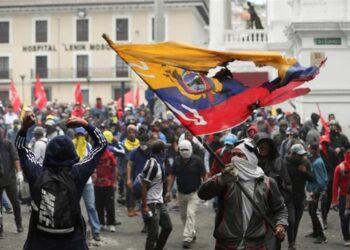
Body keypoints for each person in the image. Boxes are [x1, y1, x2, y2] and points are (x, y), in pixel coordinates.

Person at [15, 113, 107, 250]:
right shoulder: (77, 173)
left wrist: (24, 128)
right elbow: (101, 144)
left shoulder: (36, 172)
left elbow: (21, 147)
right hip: (72, 242)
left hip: (39, 242)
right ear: (72, 153)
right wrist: (85, 124)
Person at [198, 138, 288, 250]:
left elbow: (280, 209)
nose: (235, 158)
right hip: (227, 244)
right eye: (233, 154)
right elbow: (202, 194)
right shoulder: (226, 178)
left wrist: (281, 225)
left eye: (240, 155)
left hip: (255, 244)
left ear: (251, 158)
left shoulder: (268, 183)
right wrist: (221, 180)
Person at [254, 132, 293, 250]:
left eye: (266, 144)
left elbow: (288, 185)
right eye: (260, 144)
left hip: (272, 213)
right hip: (253, 213)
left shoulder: (277, 162)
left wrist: (278, 199)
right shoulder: (250, 163)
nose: (263, 147)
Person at [166, 139, 207, 249]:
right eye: (182, 149)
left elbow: (204, 175)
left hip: (194, 193)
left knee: (190, 214)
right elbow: (172, 176)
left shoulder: (197, 160)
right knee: (183, 216)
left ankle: (187, 238)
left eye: (186, 149)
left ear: (191, 150)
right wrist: (168, 191)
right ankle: (191, 232)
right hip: (181, 193)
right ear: (179, 150)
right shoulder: (176, 161)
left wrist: (206, 189)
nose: (184, 151)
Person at [141, 140, 173, 250]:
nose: (165, 152)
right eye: (164, 150)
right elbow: (144, 185)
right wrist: (145, 206)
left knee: (168, 227)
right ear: (160, 151)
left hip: (159, 201)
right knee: (153, 234)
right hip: (151, 203)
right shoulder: (152, 164)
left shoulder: (159, 162)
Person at [73, 127, 102, 241]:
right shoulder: (71, 146)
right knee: (74, 206)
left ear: (85, 135)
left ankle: (96, 230)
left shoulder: (89, 146)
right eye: (78, 134)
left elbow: (92, 161)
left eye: (82, 134)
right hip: (75, 181)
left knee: (91, 206)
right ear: (75, 135)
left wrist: (94, 172)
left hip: (87, 181)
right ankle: (75, 230)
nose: (80, 137)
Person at [284, 144, 314, 250]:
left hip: (300, 197)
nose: (301, 157)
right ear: (293, 154)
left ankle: (292, 243)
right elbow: (280, 180)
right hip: (289, 197)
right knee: (291, 221)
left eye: (302, 155)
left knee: (296, 222)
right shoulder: (285, 164)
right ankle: (291, 243)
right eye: (299, 155)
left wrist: (305, 172)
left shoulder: (305, 163)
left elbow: (312, 178)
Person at [0, 126, 23, 235]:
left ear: (3, 133)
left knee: (15, 202)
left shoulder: (8, 144)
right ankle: (0, 227)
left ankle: (19, 223)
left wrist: (19, 173)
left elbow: (15, 157)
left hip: (10, 178)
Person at [94, 130, 118, 232]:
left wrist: (115, 182)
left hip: (108, 184)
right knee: (99, 204)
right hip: (97, 184)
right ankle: (101, 223)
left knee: (110, 205)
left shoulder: (110, 155)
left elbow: (115, 168)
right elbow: (92, 167)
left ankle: (111, 223)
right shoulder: (95, 154)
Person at [306, 144, 328, 244]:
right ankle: (315, 232)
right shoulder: (315, 161)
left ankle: (322, 236)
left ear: (314, 150)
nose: (308, 151)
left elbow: (321, 181)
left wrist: (316, 192)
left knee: (316, 213)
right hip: (313, 190)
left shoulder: (317, 163)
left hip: (317, 191)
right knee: (311, 211)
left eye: (310, 149)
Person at [319, 135, 339, 229]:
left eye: (325, 143)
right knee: (324, 199)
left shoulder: (332, 152)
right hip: (322, 179)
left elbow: (337, 165)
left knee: (329, 199)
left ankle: (325, 215)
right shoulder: (319, 153)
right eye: (323, 143)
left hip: (331, 179)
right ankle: (323, 218)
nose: (324, 145)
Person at [331, 145, 350, 246]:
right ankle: (346, 237)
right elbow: (335, 185)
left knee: (345, 217)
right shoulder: (340, 168)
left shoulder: (340, 167)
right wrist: (334, 201)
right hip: (343, 196)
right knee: (344, 218)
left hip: (344, 196)